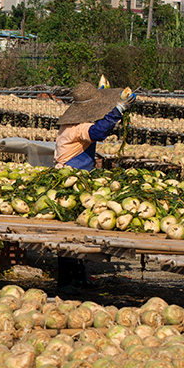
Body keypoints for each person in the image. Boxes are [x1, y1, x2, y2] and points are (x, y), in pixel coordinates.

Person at [54, 81, 136, 289]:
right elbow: (99, 131)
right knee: (69, 232)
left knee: (77, 229)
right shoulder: (77, 128)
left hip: (79, 177)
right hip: (71, 179)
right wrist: (118, 109)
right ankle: (66, 281)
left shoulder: (71, 125)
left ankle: (78, 276)